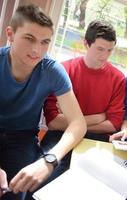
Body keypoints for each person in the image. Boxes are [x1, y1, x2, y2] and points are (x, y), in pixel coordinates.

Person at [0, 4, 86, 200]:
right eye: (29, 39)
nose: (37, 50)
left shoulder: (52, 71)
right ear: (10, 34)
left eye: (44, 42)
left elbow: (78, 123)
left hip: (22, 139)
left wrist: (50, 160)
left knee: (17, 193)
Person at [41, 20, 125, 181]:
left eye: (110, 50)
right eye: (100, 49)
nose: (105, 55)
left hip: (96, 141)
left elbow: (113, 124)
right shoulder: (64, 70)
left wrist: (71, 120)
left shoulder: (118, 78)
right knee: (43, 180)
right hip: (60, 135)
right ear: (86, 44)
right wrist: (98, 118)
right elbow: (52, 121)